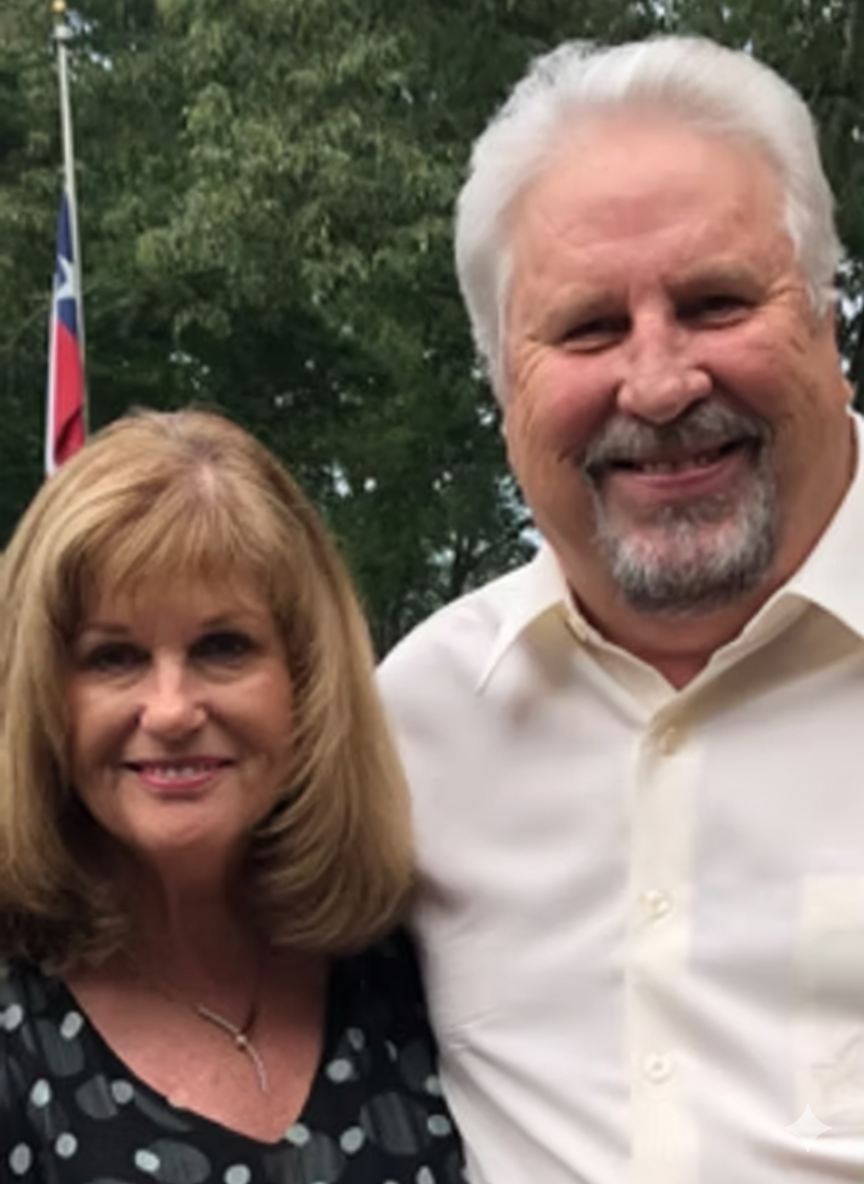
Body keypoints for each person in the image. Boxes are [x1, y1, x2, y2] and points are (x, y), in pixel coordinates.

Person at [379, 34, 864, 1184]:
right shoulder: (415, 723)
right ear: (502, 383)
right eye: (590, 327)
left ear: (827, 321)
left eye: (715, 302)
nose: (658, 381)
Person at [0, 408, 465, 1183]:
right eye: (113, 657)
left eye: (223, 647)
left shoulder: (406, 962)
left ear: (306, 680)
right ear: (41, 695)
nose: (173, 710)